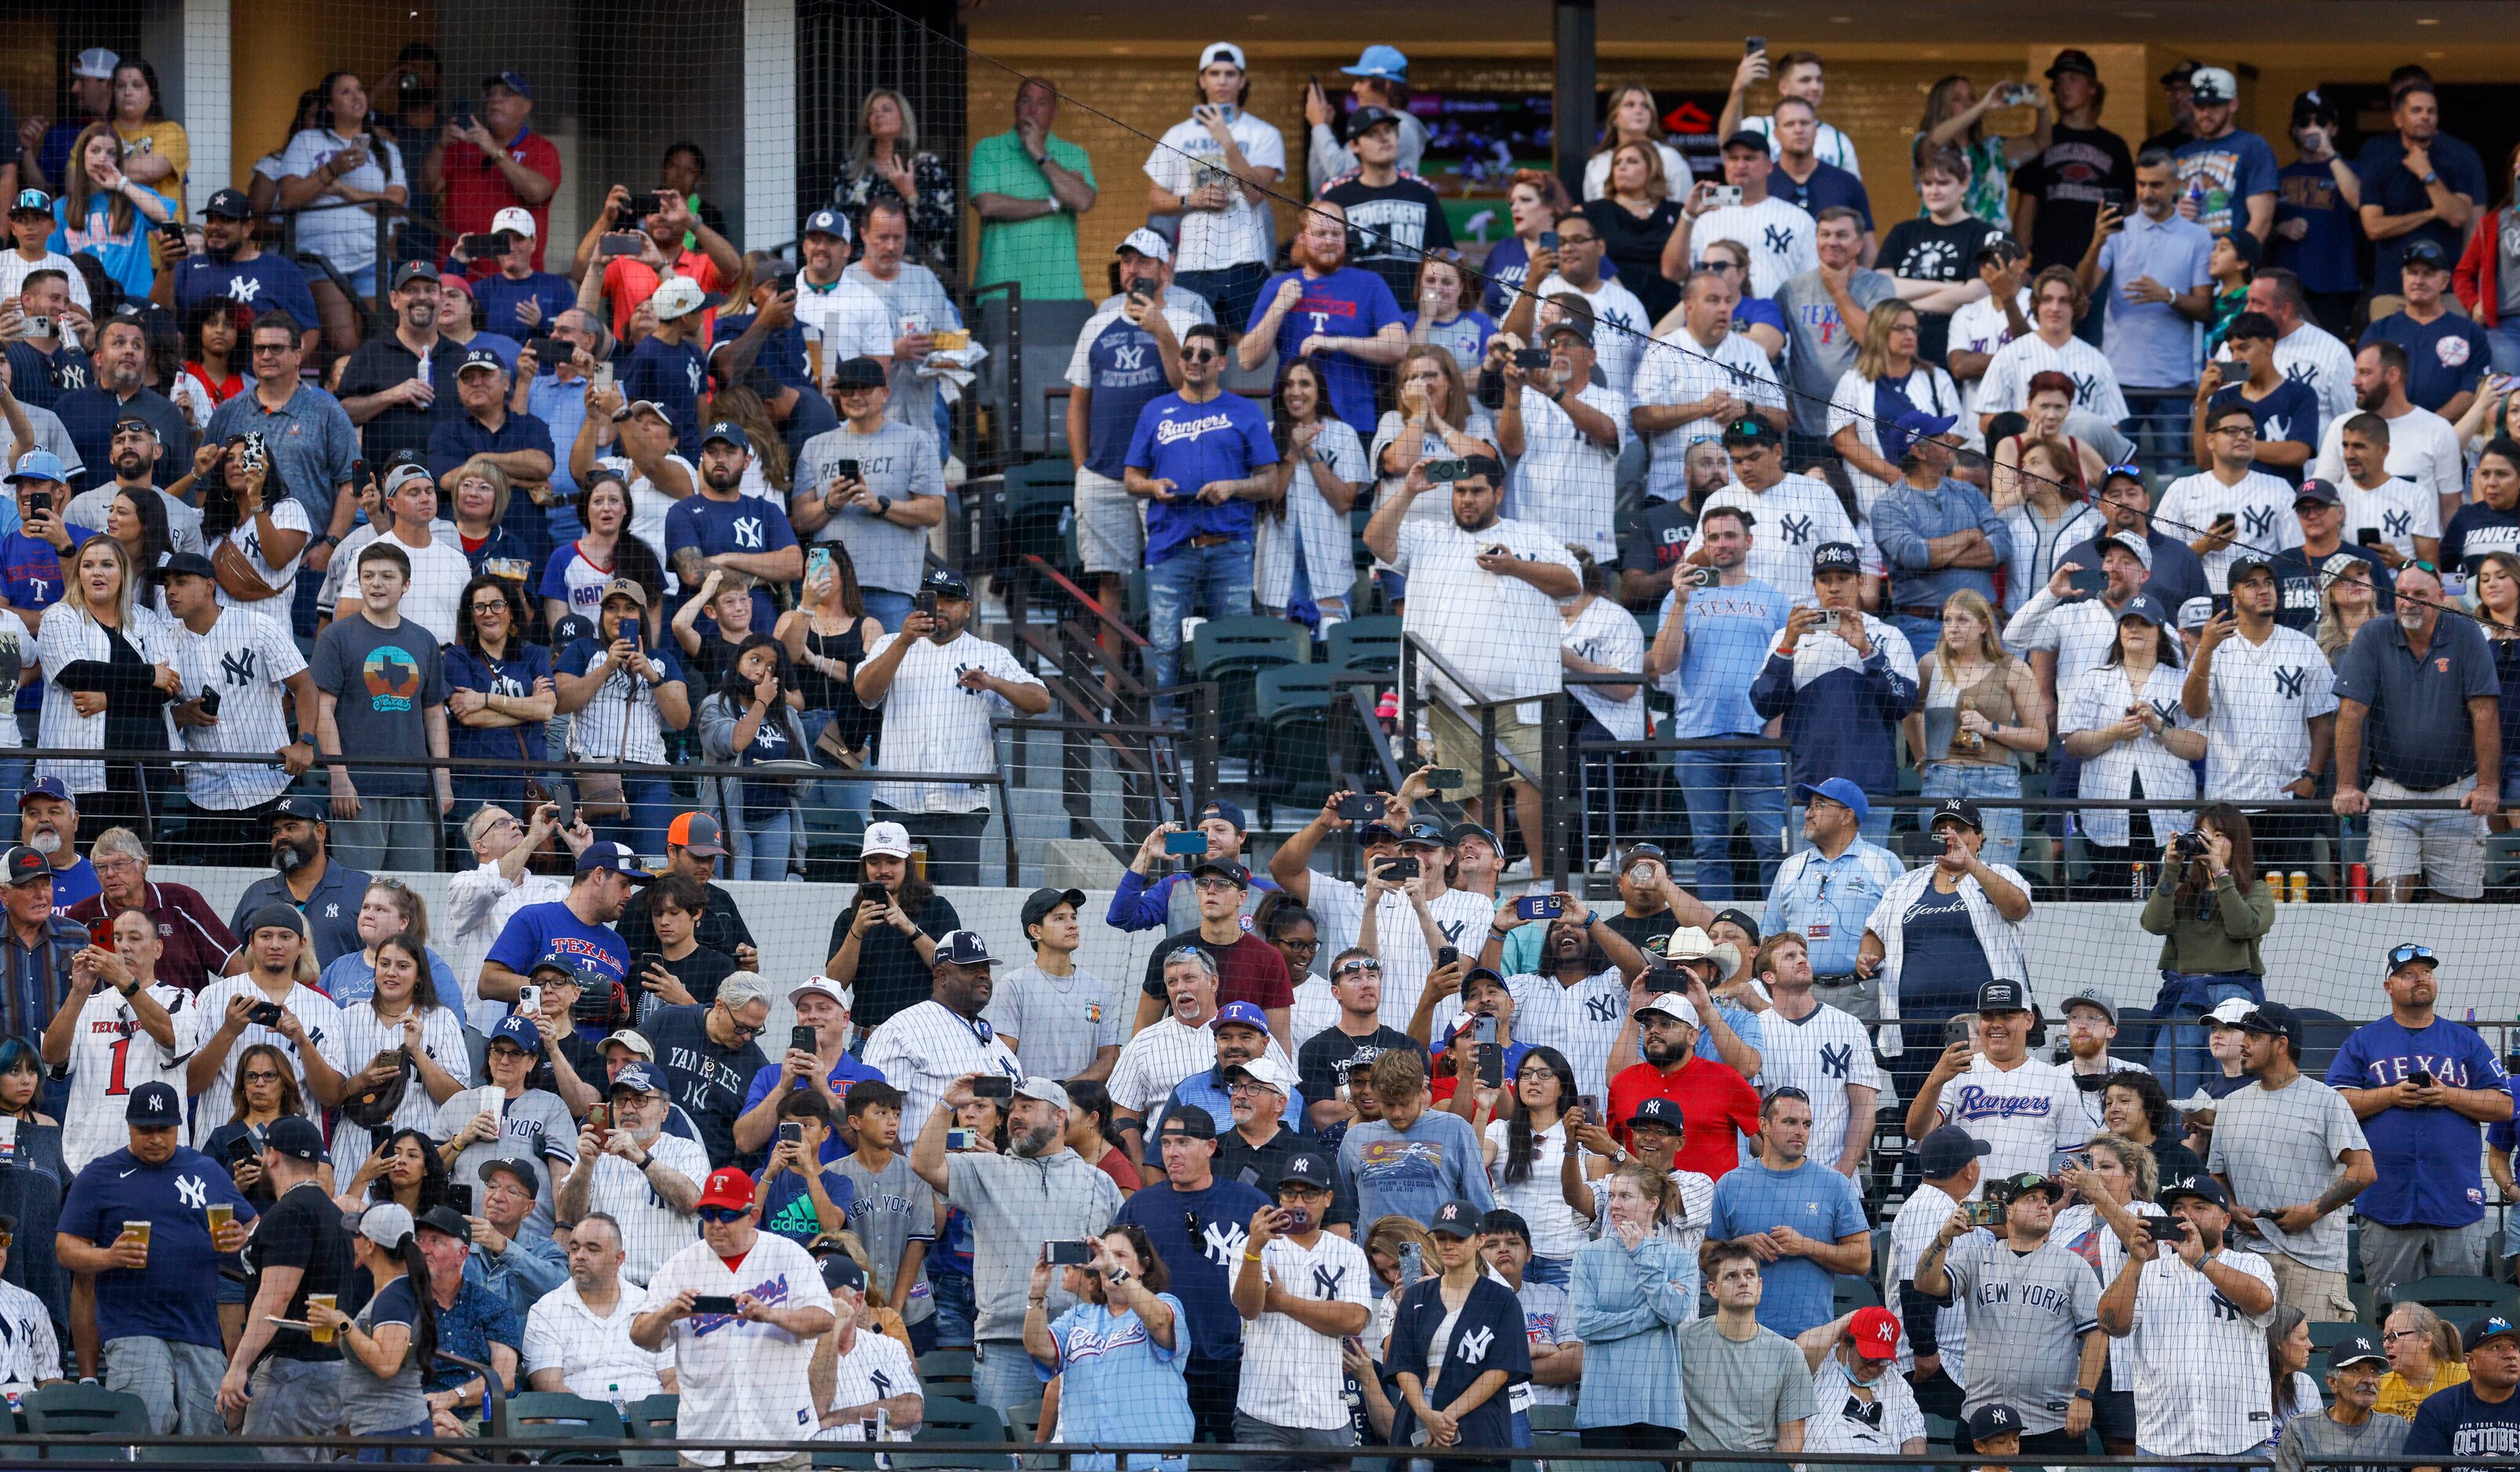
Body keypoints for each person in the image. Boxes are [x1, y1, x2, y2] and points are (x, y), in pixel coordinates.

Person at [1362, 455, 1577, 865]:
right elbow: (1375, 541)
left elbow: (1571, 582)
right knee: (1476, 793)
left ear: (1498, 493)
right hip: (1450, 700)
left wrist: (1515, 566)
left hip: (1525, 695)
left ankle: (1544, 881)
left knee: (1534, 786)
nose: (1467, 500)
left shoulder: (1530, 535)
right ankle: (1484, 885)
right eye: (1460, 491)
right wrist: (1408, 489)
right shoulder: (1427, 535)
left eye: (1477, 491)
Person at [910, 1071, 1121, 1417]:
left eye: (1027, 1106)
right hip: (1004, 1345)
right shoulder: (987, 1170)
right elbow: (924, 1163)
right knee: (1006, 1450)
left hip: (1082, 1340)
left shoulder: (1099, 1182)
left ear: (1059, 1116)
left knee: (1078, 1448)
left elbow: (1119, 1261)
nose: (1016, 1116)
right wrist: (949, 1103)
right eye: (1012, 1110)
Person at [56, 1081, 255, 1435]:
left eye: (164, 1129)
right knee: (149, 1422)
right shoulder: (100, 1174)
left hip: (200, 1329)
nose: (155, 1139)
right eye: (145, 1130)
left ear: (179, 1125)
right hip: (133, 1325)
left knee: (206, 1432)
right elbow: (65, 1248)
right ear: (129, 1125)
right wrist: (109, 1256)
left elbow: (255, 1225)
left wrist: (243, 1238)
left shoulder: (206, 1169)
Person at [2328, 943, 2513, 1294]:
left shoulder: (2465, 1041)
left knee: (2458, 1315)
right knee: (2391, 1316)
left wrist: (2447, 1095)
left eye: (2426, 972)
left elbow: (2503, 1105)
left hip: (2455, 1201)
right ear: (2389, 987)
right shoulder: (2363, 1041)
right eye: (2408, 974)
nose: (2420, 979)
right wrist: (2390, 1095)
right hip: (2386, 1203)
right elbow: (2332, 1101)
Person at [852, 567, 1048, 885]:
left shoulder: (991, 653)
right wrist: (904, 641)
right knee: (892, 906)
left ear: (968, 608)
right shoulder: (891, 642)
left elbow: (1041, 700)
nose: (940, 607)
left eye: (951, 600)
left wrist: (995, 683)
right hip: (897, 802)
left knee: (958, 905)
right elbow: (865, 691)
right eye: (933, 598)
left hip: (961, 807)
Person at [629, 1168, 833, 1467]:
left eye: (726, 1215)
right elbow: (639, 1335)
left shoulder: (789, 1255)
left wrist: (771, 1314)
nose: (715, 1224)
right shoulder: (679, 1267)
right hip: (706, 1441)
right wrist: (667, 1314)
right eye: (708, 1214)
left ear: (752, 1216)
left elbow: (824, 1320)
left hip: (780, 1437)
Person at [1122, 320, 1276, 699]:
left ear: (1222, 363)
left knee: (1233, 647)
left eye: (1204, 355)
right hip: (1171, 546)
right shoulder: (1155, 411)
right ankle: (1162, 741)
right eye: (1187, 353)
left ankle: (1227, 741)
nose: (1194, 361)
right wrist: (1152, 486)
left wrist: (1233, 487)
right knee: (1164, 648)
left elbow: (1270, 482)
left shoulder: (1245, 411)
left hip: (1230, 546)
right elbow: (1130, 479)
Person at [1642, 506, 1790, 898]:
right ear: (1704, 545)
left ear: (1748, 541)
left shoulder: (1775, 600)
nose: (1722, 544)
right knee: (1709, 848)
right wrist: (1679, 602)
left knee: (1773, 847)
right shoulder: (1684, 596)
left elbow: (1790, 667)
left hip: (1759, 739)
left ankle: (1778, 936)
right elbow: (1663, 662)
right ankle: (1715, 940)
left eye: (1730, 536)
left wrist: (1775, 725)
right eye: (1714, 538)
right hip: (1699, 739)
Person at [2332, 562, 2500, 900]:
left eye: (2420, 595)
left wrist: (2487, 785)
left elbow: (2485, 713)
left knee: (2457, 913)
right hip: (2393, 793)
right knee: (2390, 902)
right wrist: (2347, 785)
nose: (2409, 602)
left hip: (2458, 794)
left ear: (2440, 597)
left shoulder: (2465, 632)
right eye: (2402, 594)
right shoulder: (2373, 634)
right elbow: (2350, 715)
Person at [1912, 1167, 2104, 1453]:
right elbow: (1925, 1284)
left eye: (2046, 1199)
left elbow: (2097, 1335)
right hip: (1982, 1421)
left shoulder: (2073, 1266)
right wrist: (1944, 1238)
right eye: (2031, 1198)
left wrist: (2085, 1396)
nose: (2043, 1204)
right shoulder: (1976, 1257)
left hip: (2050, 1422)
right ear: (2007, 1212)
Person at [1063, 234, 1197, 620]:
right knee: (1110, 580)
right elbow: (1078, 404)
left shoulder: (1186, 322)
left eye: (1143, 262)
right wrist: (1082, 470)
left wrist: (1162, 332)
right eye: (1126, 261)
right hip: (1104, 475)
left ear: (1164, 269)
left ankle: (1163, 670)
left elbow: (1187, 387)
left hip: (1165, 476)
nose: (1133, 269)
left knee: (1167, 575)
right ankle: (1113, 678)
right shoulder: (1096, 325)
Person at [1749, 542, 1920, 813]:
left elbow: (1902, 703)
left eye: (1843, 578)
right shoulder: (1790, 635)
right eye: (1825, 579)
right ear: (1814, 584)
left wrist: (1867, 651)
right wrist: (1787, 646)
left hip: (1872, 787)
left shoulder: (1890, 636)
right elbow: (1765, 704)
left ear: (1861, 580)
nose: (1834, 587)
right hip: (1810, 790)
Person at [1707, 1087, 1871, 1338]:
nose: (1800, 1131)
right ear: (1764, 1125)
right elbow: (1702, 1256)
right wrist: (1738, 1248)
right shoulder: (1730, 1184)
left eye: (1806, 1124)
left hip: (1810, 1339)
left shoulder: (1835, 1184)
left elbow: (1862, 1259)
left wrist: (1805, 1246)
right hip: (1740, 1336)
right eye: (1790, 1122)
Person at [1144, 42, 1283, 333]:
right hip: (1193, 262)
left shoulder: (1265, 133)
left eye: (1230, 74)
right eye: (1215, 73)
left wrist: (1227, 141)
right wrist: (1190, 199)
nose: (1222, 81)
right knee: (1190, 342)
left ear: (1242, 80)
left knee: (1248, 346)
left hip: (1247, 259)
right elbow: (1154, 200)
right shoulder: (1178, 134)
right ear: (1202, 80)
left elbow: (1256, 193)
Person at [1904, 979, 2077, 1190]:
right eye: (1987, 1016)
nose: (1996, 1024)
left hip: (2030, 1207)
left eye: (2007, 1015)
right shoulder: (1958, 1071)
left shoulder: (2058, 1080)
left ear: (2029, 1021)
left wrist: (2054, 1205)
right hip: (1968, 1206)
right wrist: (1936, 1079)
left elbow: (2070, 1156)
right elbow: (1916, 1132)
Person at [1565, 1164, 1694, 1449]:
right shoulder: (1588, 1256)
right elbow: (1584, 1323)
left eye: (1625, 1196)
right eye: (1612, 1196)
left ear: (1652, 1204)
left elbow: (1673, 1313)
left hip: (1658, 1410)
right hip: (1602, 1409)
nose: (1615, 1204)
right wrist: (1651, 1316)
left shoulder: (1680, 1259)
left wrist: (1640, 1254)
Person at [859, 930, 1021, 1137]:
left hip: (991, 1164)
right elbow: (873, 1113)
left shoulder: (995, 1043)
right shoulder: (901, 1029)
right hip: (921, 1165)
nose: (983, 975)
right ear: (942, 976)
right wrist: (899, 1169)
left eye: (986, 969)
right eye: (971, 968)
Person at [556, 1061, 705, 1287]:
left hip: (668, 1293)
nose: (627, 1109)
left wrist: (643, 1159)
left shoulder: (685, 1150)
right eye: (621, 1100)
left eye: (640, 1099)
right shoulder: (596, 1153)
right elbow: (569, 1214)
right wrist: (585, 1166)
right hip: (604, 1293)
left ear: (665, 1110)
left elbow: (694, 1202)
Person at [1677, 1242, 1814, 1458]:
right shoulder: (1681, 1341)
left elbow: (1792, 1437)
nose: (1743, 1282)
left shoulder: (1788, 1354)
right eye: (1731, 1276)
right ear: (1712, 1289)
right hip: (1696, 1465)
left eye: (1750, 1275)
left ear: (1759, 1285)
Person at [820, 821, 958, 1035]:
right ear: (864, 866)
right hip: (867, 1039)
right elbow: (835, 983)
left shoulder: (937, 908)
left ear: (909, 864)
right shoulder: (849, 918)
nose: (883, 870)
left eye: (893, 861)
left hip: (925, 1037)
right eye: (874, 862)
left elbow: (953, 971)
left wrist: (911, 929)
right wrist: (856, 932)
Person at [521, 1212, 674, 1401]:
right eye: (575, 1248)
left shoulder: (651, 1306)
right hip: (579, 1425)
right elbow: (550, 1390)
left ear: (618, 1259)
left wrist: (655, 1427)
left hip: (650, 1426)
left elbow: (675, 1381)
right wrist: (602, 1422)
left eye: (593, 1250)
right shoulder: (546, 1310)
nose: (580, 1256)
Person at [1603, 992, 1759, 1174]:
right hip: (1639, 1199)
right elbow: (1611, 1152)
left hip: (1707, 1201)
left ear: (1692, 1037)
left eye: (1665, 1024)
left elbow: (1770, 1133)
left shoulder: (1725, 1079)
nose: (1653, 1030)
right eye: (1648, 1024)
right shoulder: (1623, 1082)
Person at [968, 78, 1095, 302]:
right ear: (1015, 107)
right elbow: (988, 205)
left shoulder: (1074, 154)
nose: (1032, 109)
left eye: (1043, 103)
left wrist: (1039, 152)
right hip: (999, 291)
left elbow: (1083, 200)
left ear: (1055, 112)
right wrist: (1053, 204)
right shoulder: (988, 149)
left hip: (1061, 292)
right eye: (1026, 101)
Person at [640, 972, 775, 1167]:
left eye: (755, 1030)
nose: (747, 1037)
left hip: (708, 1176)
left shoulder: (756, 1065)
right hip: (647, 1159)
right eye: (741, 1027)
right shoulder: (669, 1022)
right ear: (719, 1007)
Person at [1669, 130, 1819, 303]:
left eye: (1749, 158)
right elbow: (1672, 272)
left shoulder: (1797, 218)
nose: (1740, 165)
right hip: (1712, 319)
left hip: (1777, 321)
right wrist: (1688, 215)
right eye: (1733, 159)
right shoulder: (1702, 215)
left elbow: (1812, 283)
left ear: (1769, 166)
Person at [1976, 266, 2130, 434]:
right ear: (2037, 305)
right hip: (2024, 454)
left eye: (2063, 301)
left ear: (2075, 306)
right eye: (2047, 299)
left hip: (2080, 455)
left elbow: (2113, 428)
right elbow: (1985, 423)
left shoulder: (2097, 360)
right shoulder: (2009, 355)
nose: (2055, 308)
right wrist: (2023, 418)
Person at [2365, 241, 2489, 420]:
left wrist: (2431, 426)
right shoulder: (2379, 331)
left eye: (2428, 274)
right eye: (2412, 273)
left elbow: (2471, 390)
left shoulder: (2471, 333)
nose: (2419, 281)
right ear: (2403, 277)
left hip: (2449, 433)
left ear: (2445, 281)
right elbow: (2367, 383)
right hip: (2387, 429)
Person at [806, 1252, 920, 1441]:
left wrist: (839, 1417)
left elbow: (912, 1410)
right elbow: (818, 1407)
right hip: (823, 1462)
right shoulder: (797, 1347)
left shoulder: (889, 1348)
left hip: (885, 1461)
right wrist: (831, 1331)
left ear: (857, 1301)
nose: (818, 1301)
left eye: (827, 1293)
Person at [2200, 310, 2322, 486]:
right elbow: (2205, 462)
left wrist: (2233, 446)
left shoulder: (2301, 394)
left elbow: (2297, 453)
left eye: (2243, 348)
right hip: (2231, 497)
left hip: (2283, 500)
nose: (2236, 357)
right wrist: (2203, 400)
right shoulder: (2224, 397)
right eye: (2232, 350)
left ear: (2269, 346)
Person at [2275, 1331, 2411, 1472]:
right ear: (2332, 1382)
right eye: (2356, 1370)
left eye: (2374, 1370)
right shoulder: (2300, 1430)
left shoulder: (2396, 1429)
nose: (2369, 1380)